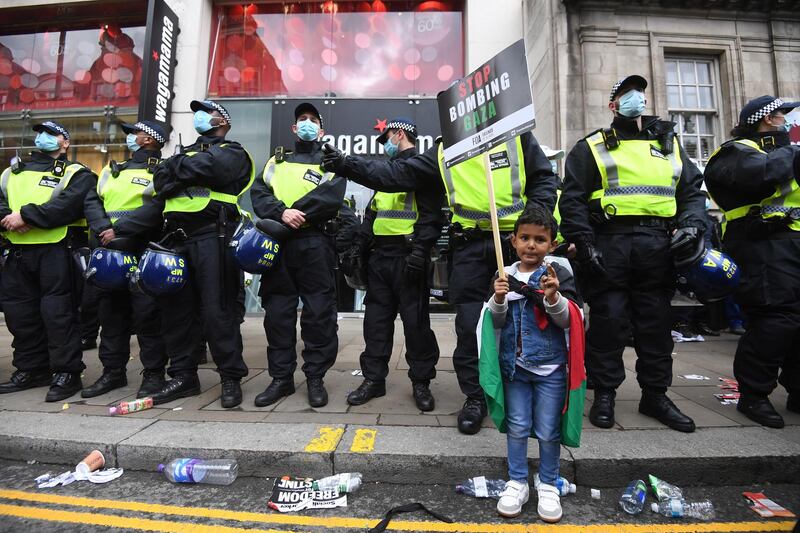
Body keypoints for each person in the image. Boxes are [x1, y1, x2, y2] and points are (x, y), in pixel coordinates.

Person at [323, 126, 558, 434]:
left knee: (526, 324)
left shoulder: (516, 136)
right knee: (471, 326)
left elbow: (544, 179)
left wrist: (534, 229)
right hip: (470, 248)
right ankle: (477, 397)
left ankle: (527, 394)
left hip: (516, 246)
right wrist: (346, 163)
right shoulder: (445, 149)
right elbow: (395, 175)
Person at [559, 74, 706, 433]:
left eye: (639, 93)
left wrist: (691, 224)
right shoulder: (592, 146)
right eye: (627, 94)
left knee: (655, 324)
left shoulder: (670, 145)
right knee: (608, 322)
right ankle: (605, 393)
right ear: (613, 105)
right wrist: (584, 242)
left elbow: (691, 193)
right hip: (609, 242)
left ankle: (655, 394)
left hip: (657, 244)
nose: (636, 99)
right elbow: (573, 200)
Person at [703, 95, 800, 428]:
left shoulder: (784, 150)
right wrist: (794, 148)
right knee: (776, 319)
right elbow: (757, 175)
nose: (787, 121)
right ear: (764, 119)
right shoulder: (736, 151)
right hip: (764, 245)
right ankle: (754, 395)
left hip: (793, 243)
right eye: (781, 116)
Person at [150, 99, 254, 408]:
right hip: (176, 239)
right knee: (177, 312)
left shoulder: (234, 151)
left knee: (217, 311)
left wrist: (175, 167)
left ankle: (230, 377)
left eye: (206, 112)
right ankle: (183, 377)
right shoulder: (185, 153)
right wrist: (179, 167)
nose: (199, 116)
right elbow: (159, 181)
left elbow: (215, 168)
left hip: (214, 235)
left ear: (223, 121)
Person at [250, 102, 353, 408]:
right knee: (278, 316)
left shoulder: (330, 161)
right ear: (294, 128)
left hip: (314, 242)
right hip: (278, 245)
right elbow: (259, 194)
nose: (307, 123)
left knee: (319, 315)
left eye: (313, 120)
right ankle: (281, 379)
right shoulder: (276, 161)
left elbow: (331, 196)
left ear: (321, 130)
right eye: (302, 120)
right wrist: (283, 213)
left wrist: (299, 214)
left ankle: (315, 378)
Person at [344, 118, 444, 411]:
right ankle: (374, 380)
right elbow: (374, 215)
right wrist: (358, 248)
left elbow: (431, 216)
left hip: (408, 257)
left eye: (385, 138)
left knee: (416, 325)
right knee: (375, 323)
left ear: (399, 134)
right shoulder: (385, 175)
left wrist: (420, 251)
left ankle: (421, 382)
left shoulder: (421, 168)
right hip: (380, 259)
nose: (384, 145)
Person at [489, 206, 578, 523]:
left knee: (547, 429)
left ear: (551, 244)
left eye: (539, 239)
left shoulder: (558, 275)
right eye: (524, 237)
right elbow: (496, 324)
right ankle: (516, 482)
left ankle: (549, 483)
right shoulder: (504, 275)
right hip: (515, 369)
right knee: (517, 425)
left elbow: (569, 321)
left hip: (551, 369)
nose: (531, 245)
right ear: (512, 241)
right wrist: (498, 299)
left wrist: (553, 297)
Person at [0, 121, 96, 401]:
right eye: (39, 133)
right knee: (21, 316)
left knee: (59, 315)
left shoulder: (77, 173)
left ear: (65, 142)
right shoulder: (10, 173)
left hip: (57, 252)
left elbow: (67, 205)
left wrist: (25, 216)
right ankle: (31, 369)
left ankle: (67, 373)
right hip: (17, 253)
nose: (42, 138)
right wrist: (9, 220)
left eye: (50, 134)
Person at [81, 120, 169, 399]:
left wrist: (118, 230)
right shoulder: (111, 168)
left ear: (149, 139)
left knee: (148, 315)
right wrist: (102, 228)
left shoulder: (164, 170)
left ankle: (154, 375)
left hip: (142, 248)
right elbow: (92, 201)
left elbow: (158, 207)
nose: (130, 137)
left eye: (134, 133)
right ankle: (112, 373)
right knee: (111, 314)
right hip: (110, 251)